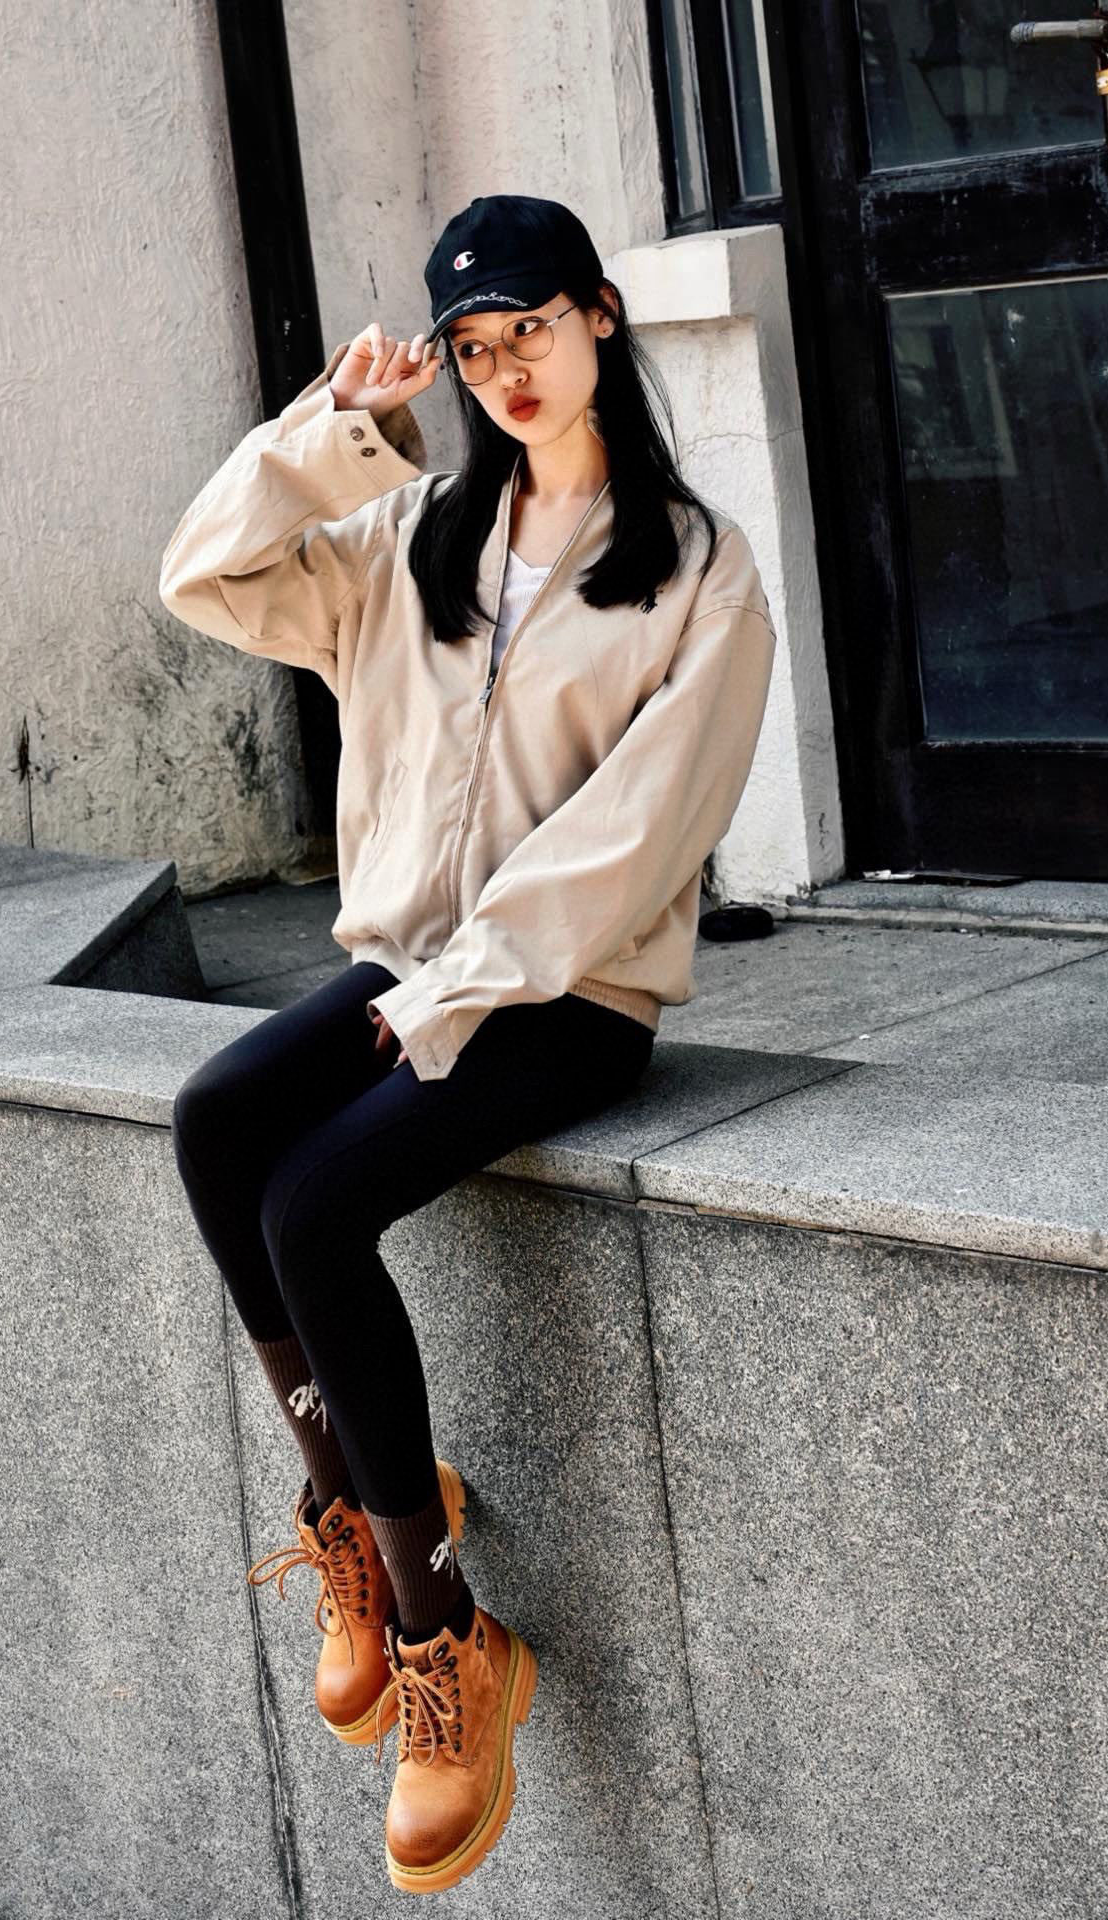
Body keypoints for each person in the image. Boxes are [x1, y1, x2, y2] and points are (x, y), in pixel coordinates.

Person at [158, 194, 776, 1895]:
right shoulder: (412, 535)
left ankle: (448, 1647)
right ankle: (360, 1516)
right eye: (476, 343)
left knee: (312, 1205)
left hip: (569, 996)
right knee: (217, 1122)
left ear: (600, 320)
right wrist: (335, 431)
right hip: (413, 973)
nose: (508, 368)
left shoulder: (697, 572)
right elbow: (202, 575)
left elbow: (635, 841)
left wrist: (449, 996)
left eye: (533, 328)